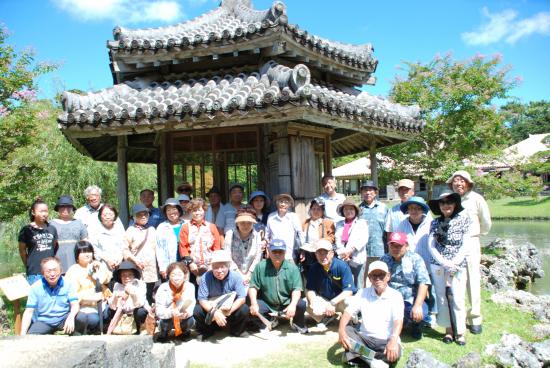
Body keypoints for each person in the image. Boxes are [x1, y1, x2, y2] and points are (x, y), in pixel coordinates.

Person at [447, 170, 491, 335]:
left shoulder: (476, 199)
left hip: (471, 242)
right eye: (455, 181)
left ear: (468, 183)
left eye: (461, 180)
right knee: (455, 281)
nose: (458, 183)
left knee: (472, 280)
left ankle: (475, 318)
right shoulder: (450, 199)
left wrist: (477, 234)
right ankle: (457, 317)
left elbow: (486, 222)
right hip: (453, 244)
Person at [338, 261, 403, 367]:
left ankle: (356, 355)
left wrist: (393, 340)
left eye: (381, 275)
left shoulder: (396, 296)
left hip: (385, 340)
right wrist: (341, 331)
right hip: (365, 339)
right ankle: (372, 360)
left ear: (388, 276)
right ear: (369, 277)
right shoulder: (362, 293)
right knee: (346, 330)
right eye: (374, 275)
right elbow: (347, 313)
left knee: (395, 353)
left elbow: (398, 320)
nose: (377, 278)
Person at [428, 190, 471, 346]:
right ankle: (448, 330)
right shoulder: (435, 223)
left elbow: (466, 244)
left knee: (458, 298)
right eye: (442, 203)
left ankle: (460, 332)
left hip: (458, 265)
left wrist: (454, 263)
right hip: (438, 264)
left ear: (455, 204)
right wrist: (443, 262)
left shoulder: (464, 220)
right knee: (442, 297)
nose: (446, 205)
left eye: (449, 202)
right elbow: (431, 244)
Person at [249, 239, 307, 333]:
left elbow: (297, 289)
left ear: (285, 252)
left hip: (287, 303)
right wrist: (253, 303)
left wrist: (292, 305)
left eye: (280, 251)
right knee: (254, 306)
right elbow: (253, 287)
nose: (277, 254)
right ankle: (270, 320)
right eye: (274, 251)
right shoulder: (260, 266)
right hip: (268, 303)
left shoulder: (293, 268)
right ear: (269, 251)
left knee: (301, 304)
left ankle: (297, 323)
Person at [380, 232, 431, 340]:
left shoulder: (416, 259)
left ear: (406, 245)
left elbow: (424, 282)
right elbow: (377, 280)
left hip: (410, 299)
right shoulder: (384, 259)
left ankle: (415, 325)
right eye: (392, 245)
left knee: (423, 312)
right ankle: (395, 324)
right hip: (389, 298)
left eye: (399, 245)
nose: (395, 248)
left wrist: (417, 306)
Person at [193, 250, 249, 340]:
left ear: (228, 266)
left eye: (222, 267)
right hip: (212, 309)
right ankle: (208, 331)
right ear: (212, 267)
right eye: (215, 267)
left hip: (229, 308)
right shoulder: (205, 277)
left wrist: (229, 311)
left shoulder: (236, 276)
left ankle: (237, 330)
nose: (219, 271)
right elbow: (202, 299)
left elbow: (242, 298)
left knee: (244, 308)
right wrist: (214, 312)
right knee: (197, 310)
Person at [20, 257, 79, 335]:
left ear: (61, 271)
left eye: (55, 270)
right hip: (44, 321)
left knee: (81, 318)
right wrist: (22, 335)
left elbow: (75, 304)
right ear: (43, 272)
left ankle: (79, 335)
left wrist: (71, 317)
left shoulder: (68, 284)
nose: (52, 274)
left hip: (63, 318)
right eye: (48, 271)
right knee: (31, 337)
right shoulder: (35, 287)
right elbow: (29, 312)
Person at [306, 239, 356, 327]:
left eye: (325, 252)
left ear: (332, 254)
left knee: (351, 301)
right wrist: (314, 302)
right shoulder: (313, 268)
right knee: (306, 302)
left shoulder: (342, 266)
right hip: (325, 300)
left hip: (340, 301)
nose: (322, 256)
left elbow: (349, 291)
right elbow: (310, 289)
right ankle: (327, 317)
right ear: (315, 255)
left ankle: (349, 319)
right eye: (319, 253)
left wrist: (332, 303)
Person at [65, 241, 112, 335]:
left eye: (89, 251)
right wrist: (94, 298)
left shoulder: (96, 266)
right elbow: (73, 294)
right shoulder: (73, 270)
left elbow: (105, 279)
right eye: (83, 252)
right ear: (77, 255)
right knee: (93, 320)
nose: (87, 254)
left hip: (103, 303)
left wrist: (99, 268)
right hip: (84, 306)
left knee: (112, 310)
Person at [123, 203, 158, 304]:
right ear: (134, 217)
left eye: (145, 214)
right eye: (139, 215)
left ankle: (148, 317)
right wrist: (135, 260)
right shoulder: (130, 230)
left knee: (149, 293)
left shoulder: (152, 229)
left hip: (151, 269)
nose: (143, 216)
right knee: (137, 294)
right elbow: (125, 249)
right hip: (137, 268)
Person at [179, 198, 222, 280]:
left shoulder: (211, 226)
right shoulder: (185, 227)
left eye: (199, 210)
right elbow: (183, 247)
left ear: (204, 211)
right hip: (192, 266)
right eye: (194, 210)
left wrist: (212, 265)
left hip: (210, 266)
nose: (197, 213)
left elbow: (216, 248)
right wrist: (191, 264)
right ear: (190, 212)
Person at [18, 197, 58, 285]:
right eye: (41, 211)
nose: (44, 214)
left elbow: (54, 246)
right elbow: (22, 251)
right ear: (33, 212)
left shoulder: (52, 229)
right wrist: (28, 265)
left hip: (51, 271)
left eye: (46, 211)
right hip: (35, 272)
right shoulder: (26, 230)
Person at [155, 262, 196, 342]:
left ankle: (185, 332)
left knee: (190, 320)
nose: (176, 278)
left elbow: (191, 304)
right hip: (168, 317)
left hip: (182, 316)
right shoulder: (163, 287)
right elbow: (159, 310)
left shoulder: (190, 286)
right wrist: (171, 312)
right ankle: (164, 332)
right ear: (169, 276)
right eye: (173, 275)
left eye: (179, 274)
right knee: (164, 322)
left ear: (185, 275)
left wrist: (186, 313)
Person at [224, 208, 264, 286]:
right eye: (242, 222)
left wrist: (249, 274)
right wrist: (240, 275)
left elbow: (258, 257)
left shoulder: (257, 236)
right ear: (237, 223)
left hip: (252, 275)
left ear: (253, 223)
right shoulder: (230, 235)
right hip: (233, 274)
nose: (246, 226)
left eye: (249, 223)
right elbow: (227, 256)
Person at [108, 260, 150, 334]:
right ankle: (115, 327)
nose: (127, 278)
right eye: (123, 275)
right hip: (123, 313)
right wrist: (115, 297)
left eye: (130, 275)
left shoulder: (141, 284)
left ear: (134, 276)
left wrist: (132, 294)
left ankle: (141, 327)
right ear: (120, 277)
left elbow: (140, 303)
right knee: (109, 310)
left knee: (140, 312)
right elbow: (113, 306)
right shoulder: (117, 285)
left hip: (135, 311)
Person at [335, 199, 368, 286]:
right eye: (346, 209)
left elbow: (363, 239)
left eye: (351, 209)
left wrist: (350, 251)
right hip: (343, 257)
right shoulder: (339, 224)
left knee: (359, 283)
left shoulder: (362, 223)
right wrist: (343, 252)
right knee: (344, 283)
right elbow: (337, 239)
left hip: (357, 257)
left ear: (355, 211)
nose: (348, 211)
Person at [51, 195, 88, 273]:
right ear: (58, 209)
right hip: (57, 264)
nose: (65, 209)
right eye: (62, 207)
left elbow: (85, 243)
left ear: (72, 208)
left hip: (77, 264)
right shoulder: (51, 224)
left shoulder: (79, 223)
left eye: (68, 207)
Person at [300, 197, 336, 276]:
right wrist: (302, 251)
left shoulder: (328, 222)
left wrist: (320, 242)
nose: (316, 211)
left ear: (323, 211)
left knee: (323, 274)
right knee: (310, 275)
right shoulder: (305, 223)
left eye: (319, 209)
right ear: (310, 210)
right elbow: (301, 239)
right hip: (308, 254)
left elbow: (332, 237)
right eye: (314, 209)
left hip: (322, 253)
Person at [396, 196, 433, 269]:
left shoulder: (431, 224)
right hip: (408, 265)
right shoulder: (402, 225)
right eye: (411, 208)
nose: (414, 211)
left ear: (422, 210)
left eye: (417, 208)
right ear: (408, 210)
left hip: (428, 265)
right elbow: (398, 244)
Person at [266, 193, 304, 263]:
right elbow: (267, 235)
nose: (283, 204)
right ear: (277, 203)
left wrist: (302, 250)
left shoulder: (293, 217)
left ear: (289, 205)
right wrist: (268, 249)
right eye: (281, 202)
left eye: (286, 202)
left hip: (289, 255)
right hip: (274, 254)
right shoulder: (271, 216)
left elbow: (300, 234)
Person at [88, 203, 125, 272]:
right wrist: (107, 260)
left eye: (111, 214)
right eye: (105, 215)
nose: (108, 217)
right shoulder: (95, 230)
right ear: (100, 216)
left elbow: (124, 244)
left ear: (115, 216)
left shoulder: (119, 228)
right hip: (103, 267)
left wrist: (120, 258)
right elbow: (94, 248)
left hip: (120, 266)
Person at [156, 198, 186, 280]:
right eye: (168, 210)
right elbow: (159, 248)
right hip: (169, 264)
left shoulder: (186, 224)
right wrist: (162, 267)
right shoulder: (161, 227)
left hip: (186, 263)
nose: (171, 212)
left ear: (179, 211)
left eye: (174, 209)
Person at [359, 180, 389, 259]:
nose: (368, 193)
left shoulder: (384, 208)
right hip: (363, 252)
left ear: (376, 192)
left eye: (370, 190)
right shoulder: (358, 209)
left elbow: (389, 229)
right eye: (365, 190)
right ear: (361, 193)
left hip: (381, 251)